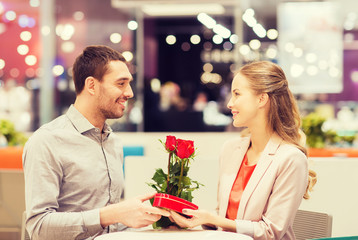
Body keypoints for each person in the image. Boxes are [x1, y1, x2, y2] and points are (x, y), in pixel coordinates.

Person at [22, 45, 169, 240]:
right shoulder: (47, 141)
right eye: (121, 83)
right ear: (91, 85)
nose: (129, 92)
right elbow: (39, 227)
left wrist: (157, 222)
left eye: (129, 83)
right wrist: (112, 214)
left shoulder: (113, 142)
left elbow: (109, 228)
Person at [170, 61, 317, 239]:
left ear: (262, 99)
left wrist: (214, 220)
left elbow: (271, 232)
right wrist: (197, 218)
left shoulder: (290, 158)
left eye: (237, 94)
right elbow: (225, 217)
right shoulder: (231, 149)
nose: (230, 103)